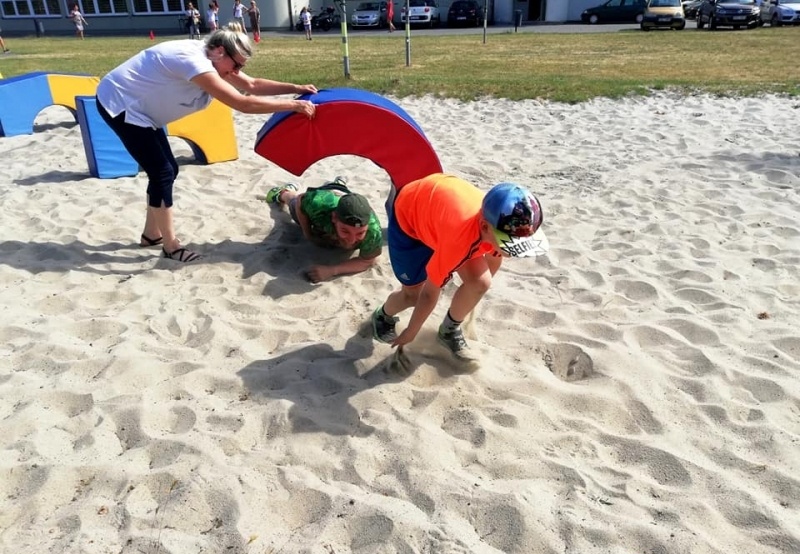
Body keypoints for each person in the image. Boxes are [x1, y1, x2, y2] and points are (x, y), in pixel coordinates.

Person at [95, 24, 317, 263]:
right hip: (121, 104)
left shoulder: (214, 57)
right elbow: (242, 103)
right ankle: (170, 246)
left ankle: (151, 235)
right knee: (162, 172)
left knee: (169, 170)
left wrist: (296, 89)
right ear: (220, 51)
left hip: (143, 112)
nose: (237, 71)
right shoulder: (194, 62)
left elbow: (251, 85)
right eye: (237, 65)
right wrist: (293, 105)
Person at [371, 174, 546, 361]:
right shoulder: (461, 240)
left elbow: (493, 261)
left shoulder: (498, 224)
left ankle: (448, 331)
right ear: (486, 228)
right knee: (413, 295)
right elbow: (430, 293)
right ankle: (382, 316)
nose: (515, 250)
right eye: (509, 243)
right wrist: (412, 331)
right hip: (409, 218)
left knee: (481, 282)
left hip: (440, 214)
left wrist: (473, 294)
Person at [264, 178, 382, 282]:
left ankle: (339, 184)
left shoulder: (373, 230)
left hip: (341, 198)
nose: (352, 240)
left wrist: (331, 270)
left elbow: (367, 261)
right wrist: (307, 232)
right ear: (334, 218)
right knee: (294, 204)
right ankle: (285, 192)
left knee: (339, 192)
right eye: (345, 231)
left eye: (360, 233)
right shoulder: (319, 204)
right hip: (324, 197)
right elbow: (301, 199)